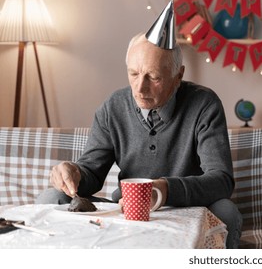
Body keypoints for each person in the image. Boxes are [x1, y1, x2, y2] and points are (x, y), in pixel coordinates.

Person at [36, 31, 242, 248]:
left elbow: (221, 181)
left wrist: (163, 190)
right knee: (50, 198)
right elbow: (92, 173)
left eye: (154, 77)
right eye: (133, 74)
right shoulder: (113, 107)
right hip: (126, 210)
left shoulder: (204, 104)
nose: (140, 88)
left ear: (178, 76)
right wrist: (74, 173)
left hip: (189, 210)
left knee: (226, 212)